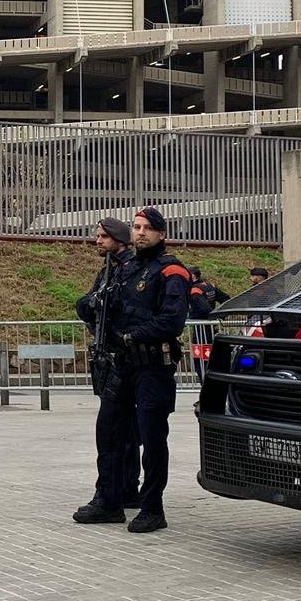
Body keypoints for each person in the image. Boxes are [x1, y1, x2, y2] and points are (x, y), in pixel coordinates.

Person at [108, 207, 192, 535]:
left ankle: (153, 507)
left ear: (161, 234)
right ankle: (114, 496)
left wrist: (132, 335)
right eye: (136, 227)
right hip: (124, 363)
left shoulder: (172, 270)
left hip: (153, 367)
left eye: (147, 228)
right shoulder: (127, 268)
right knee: (117, 432)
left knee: (152, 436)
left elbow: (172, 320)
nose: (140, 232)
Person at [73, 218, 140, 524]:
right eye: (97, 236)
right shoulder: (110, 269)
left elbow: (122, 310)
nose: (98, 241)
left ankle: (111, 496)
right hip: (110, 357)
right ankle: (125, 488)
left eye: (103, 236)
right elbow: (88, 304)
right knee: (123, 430)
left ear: (120, 239)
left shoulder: (129, 269)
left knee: (113, 431)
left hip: (124, 358)